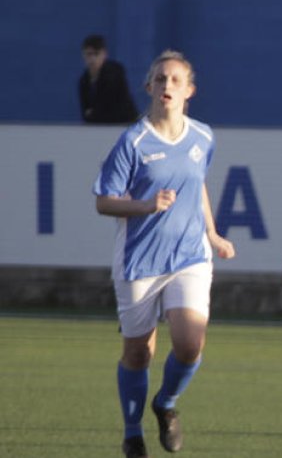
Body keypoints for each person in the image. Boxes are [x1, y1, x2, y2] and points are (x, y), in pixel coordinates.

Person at [92, 50, 237, 458]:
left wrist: (212, 233)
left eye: (175, 80)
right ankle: (132, 433)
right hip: (140, 261)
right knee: (139, 352)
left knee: (190, 344)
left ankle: (166, 404)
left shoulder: (203, 136)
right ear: (149, 87)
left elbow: (198, 183)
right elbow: (103, 201)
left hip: (189, 256)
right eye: (160, 79)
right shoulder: (133, 142)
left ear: (190, 91)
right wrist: (146, 205)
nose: (166, 85)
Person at [79, 34, 139, 124]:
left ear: (104, 54)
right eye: (89, 54)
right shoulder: (83, 81)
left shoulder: (115, 73)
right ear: (83, 55)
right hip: (99, 127)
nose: (92, 58)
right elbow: (86, 113)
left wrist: (94, 113)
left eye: (96, 54)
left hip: (125, 124)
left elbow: (113, 108)